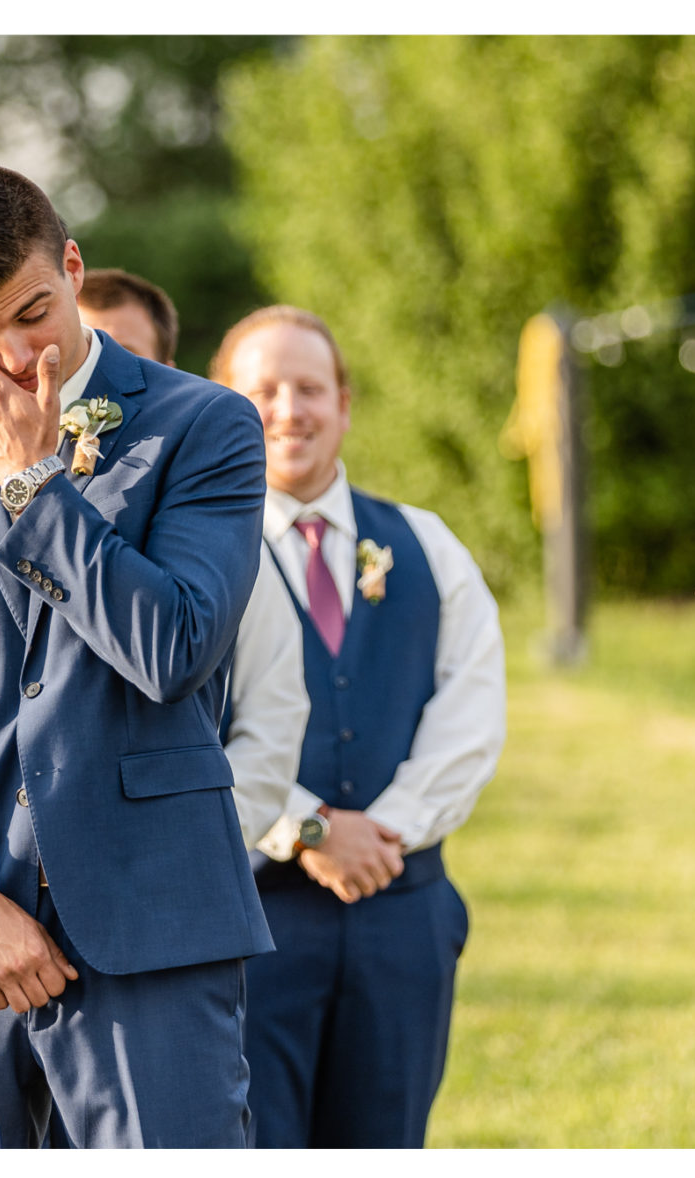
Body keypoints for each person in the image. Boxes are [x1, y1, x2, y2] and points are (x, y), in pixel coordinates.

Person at [0, 165, 274, 1148]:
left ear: (70, 269)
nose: (10, 354)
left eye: (31, 313)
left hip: (151, 932)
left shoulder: (204, 426)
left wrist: (32, 483)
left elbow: (173, 647)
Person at [209, 305, 506, 1149]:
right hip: (257, 924)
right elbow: (186, 724)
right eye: (262, 390)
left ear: (345, 402)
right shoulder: (196, 558)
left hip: (401, 912)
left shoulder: (426, 543)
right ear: (223, 404)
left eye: (310, 388)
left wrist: (386, 834)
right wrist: (304, 829)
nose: (288, 410)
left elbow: (472, 708)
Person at [78, 269, 308, 849]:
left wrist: (194, 847)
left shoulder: (217, 533)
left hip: (167, 852)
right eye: (80, 352)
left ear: (165, 374)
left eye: (120, 358)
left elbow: (272, 718)